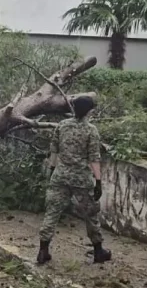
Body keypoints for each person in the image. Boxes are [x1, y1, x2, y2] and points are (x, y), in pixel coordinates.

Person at [37, 96, 111, 265]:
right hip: (81, 180)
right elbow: (94, 158)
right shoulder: (91, 130)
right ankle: (98, 251)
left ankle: (43, 250)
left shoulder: (62, 125)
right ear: (89, 111)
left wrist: (52, 171)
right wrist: (98, 181)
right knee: (91, 214)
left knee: (52, 213)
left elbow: (53, 151)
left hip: (60, 176)